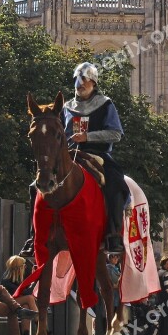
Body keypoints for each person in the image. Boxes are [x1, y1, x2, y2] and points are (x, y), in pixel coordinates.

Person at [62, 62, 128, 255]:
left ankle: (113, 234)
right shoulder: (67, 107)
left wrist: (88, 137)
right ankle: (35, 235)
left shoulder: (105, 104)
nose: (80, 83)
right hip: (69, 154)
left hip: (98, 154)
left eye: (85, 80)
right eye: (77, 79)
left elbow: (116, 134)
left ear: (93, 82)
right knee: (38, 184)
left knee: (116, 184)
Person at [1, 255, 40, 335]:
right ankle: (40, 325)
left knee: (26, 307)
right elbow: (22, 293)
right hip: (8, 304)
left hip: (17, 304)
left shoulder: (18, 278)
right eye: (23, 266)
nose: (25, 267)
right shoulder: (6, 280)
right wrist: (33, 283)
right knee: (29, 298)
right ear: (18, 267)